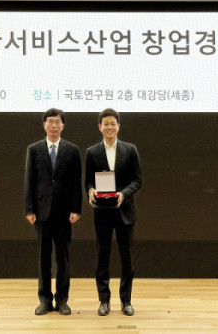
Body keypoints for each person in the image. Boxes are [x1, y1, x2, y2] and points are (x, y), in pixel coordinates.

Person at [24, 108, 82, 316]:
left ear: (63, 125)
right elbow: (30, 180)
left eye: (58, 122)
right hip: (41, 212)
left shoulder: (72, 150)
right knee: (44, 259)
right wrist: (29, 209)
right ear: (44, 124)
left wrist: (76, 208)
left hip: (64, 213)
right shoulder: (34, 149)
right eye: (50, 121)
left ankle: (62, 300)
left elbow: (76, 182)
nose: (54, 126)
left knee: (63, 259)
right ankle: (45, 300)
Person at [85, 108, 142, 316]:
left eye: (113, 124)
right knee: (102, 257)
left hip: (125, 211)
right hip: (102, 212)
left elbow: (137, 180)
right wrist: (90, 190)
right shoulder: (92, 152)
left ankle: (126, 300)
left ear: (118, 126)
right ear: (99, 127)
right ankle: (104, 300)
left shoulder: (130, 149)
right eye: (105, 124)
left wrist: (123, 194)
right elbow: (88, 181)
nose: (109, 127)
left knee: (127, 259)